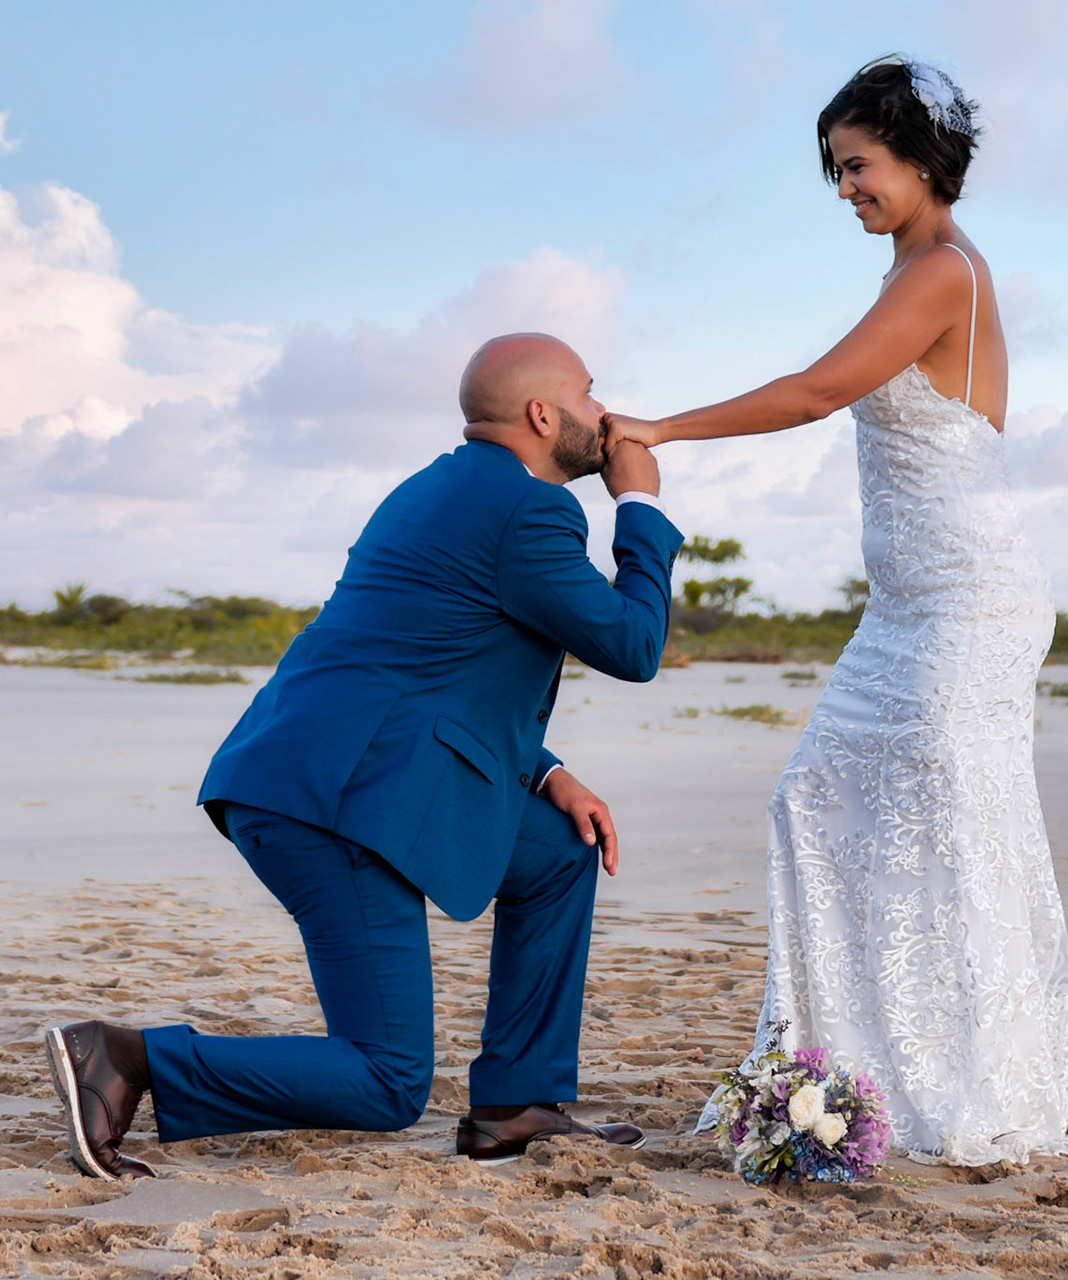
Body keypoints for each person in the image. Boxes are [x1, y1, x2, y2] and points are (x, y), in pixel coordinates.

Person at [44, 333, 682, 1178]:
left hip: (337, 773)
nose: (606, 414)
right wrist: (638, 507)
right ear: (541, 413)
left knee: (561, 851)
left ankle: (517, 1106)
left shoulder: (430, 490)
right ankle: (126, 1061)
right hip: (334, 806)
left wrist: (549, 773)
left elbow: (432, 668)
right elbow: (633, 645)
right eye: (593, 395)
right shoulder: (532, 511)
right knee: (387, 1081)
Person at [604, 57, 1068, 1166]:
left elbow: (818, 391)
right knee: (816, 798)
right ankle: (847, 1075)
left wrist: (661, 430)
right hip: (906, 607)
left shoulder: (946, 272)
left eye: (857, 165)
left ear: (918, 157)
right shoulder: (912, 272)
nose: (844, 188)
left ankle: (948, 1092)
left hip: (970, 599)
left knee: (950, 826)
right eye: (834, 170)